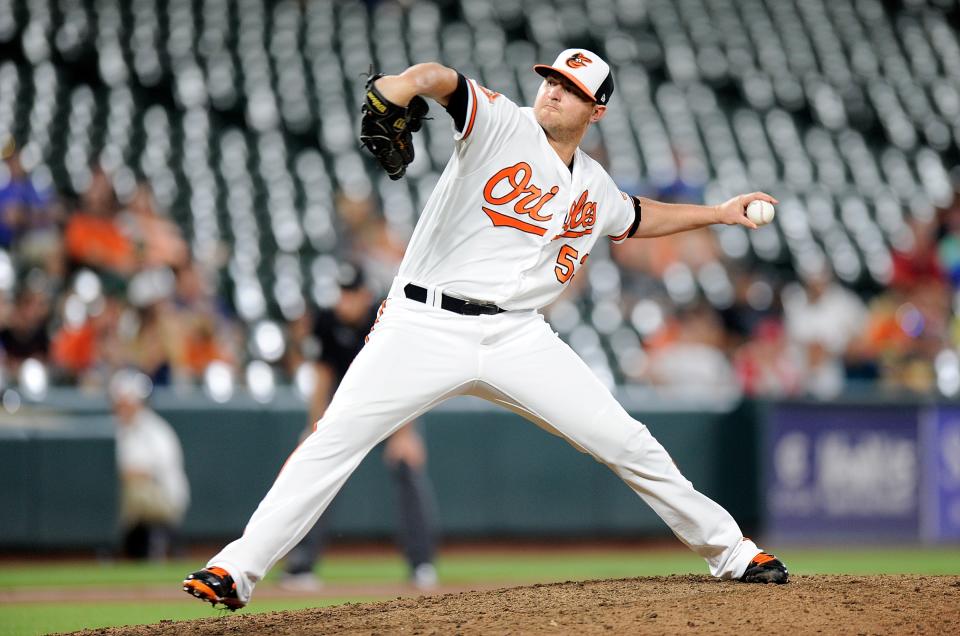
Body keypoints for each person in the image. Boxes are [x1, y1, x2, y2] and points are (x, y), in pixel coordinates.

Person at [183, 48, 788, 610]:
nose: (552, 92)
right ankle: (236, 570)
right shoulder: (502, 122)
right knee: (333, 439)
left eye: (570, 88)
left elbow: (636, 216)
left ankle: (732, 553)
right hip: (422, 322)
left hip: (517, 336)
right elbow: (439, 80)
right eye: (550, 79)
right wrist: (401, 86)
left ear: (596, 110)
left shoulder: (593, 184)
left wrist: (719, 213)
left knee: (627, 441)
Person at [280, 263, 438, 591]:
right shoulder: (326, 321)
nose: (345, 301)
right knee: (316, 474)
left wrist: (405, 433)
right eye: (342, 294)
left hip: (390, 404)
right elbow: (322, 376)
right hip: (346, 407)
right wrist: (315, 428)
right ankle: (300, 565)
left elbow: (405, 376)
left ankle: (422, 565)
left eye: (352, 294)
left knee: (408, 469)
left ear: (366, 294)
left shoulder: (387, 317)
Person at [111, 370, 190, 560]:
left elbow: (143, 473)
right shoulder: (118, 428)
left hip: (167, 496)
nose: (124, 407)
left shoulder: (153, 429)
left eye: (128, 402)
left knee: (132, 491)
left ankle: (114, 547)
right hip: (145, 495)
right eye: (120, 402)